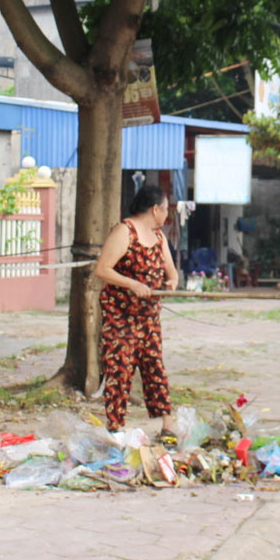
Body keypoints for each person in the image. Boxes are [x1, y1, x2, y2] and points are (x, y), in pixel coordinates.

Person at [94, 185, 180, 445]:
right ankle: (116, 426)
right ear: (155, 209)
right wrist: (132, 284)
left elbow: (172, 272)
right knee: (119, 368)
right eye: (165, 210)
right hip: (121, 316)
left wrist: (171, 283)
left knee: (155, 367)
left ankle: (167, 423)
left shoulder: (159, 237)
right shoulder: (125, 231)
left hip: (149, 318)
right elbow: (103, 269)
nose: (166, 216)